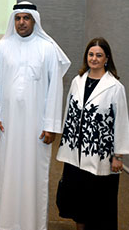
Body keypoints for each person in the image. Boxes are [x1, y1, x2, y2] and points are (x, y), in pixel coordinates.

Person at [0, 1, 71, 230]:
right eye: (18, 18)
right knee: (7, 174)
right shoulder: (3, 47)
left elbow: (55, 88)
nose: (21, 22)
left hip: (37, 125)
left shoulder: (47, 49)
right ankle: (5, 224)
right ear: (13, 20)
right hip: (8, 124)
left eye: (26, 18)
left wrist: (51, 124)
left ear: (34, 20)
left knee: (35, 176)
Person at [56, 38, 129, 230]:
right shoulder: (77, 81)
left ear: (106, 59)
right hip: (75, 154)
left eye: (98, 55)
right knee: (78, 203)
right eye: (90, 54)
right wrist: (65, 142)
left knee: (98, 205)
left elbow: (121, 122)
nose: (94, 59)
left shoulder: (115, 87)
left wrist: (118, 156)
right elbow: (69, 114)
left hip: (101, 155)